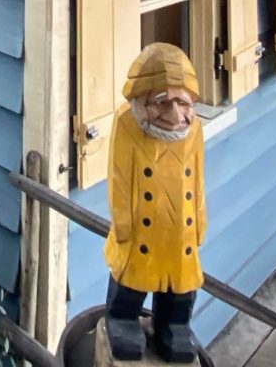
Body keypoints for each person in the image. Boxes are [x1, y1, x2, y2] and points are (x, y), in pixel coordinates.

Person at [104, 43, 206, 362]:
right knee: (133, 278)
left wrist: (200, 220)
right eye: (163, 104)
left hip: (180, 231)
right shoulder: (127, 126)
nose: (175, 116)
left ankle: (173, 326)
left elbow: (198, 178)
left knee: (179, 285)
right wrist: (122, 221)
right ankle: (121, 319)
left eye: (182, 103)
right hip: (141, 230)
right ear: (141, 100)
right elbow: (119, 177)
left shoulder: (193, 130)